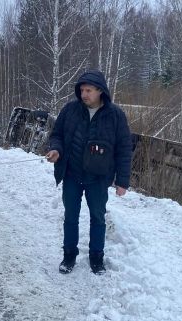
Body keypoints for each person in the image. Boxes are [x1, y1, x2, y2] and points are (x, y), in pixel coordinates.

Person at [46, 69, 133, 275]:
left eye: (89, 90)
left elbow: (124, 149)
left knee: (98, 218)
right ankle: (69, 256)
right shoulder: (70, 110)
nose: (84, 94)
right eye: (82, 90)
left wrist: (123, 181)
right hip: (72, 174)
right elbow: (56, 134)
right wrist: (56, 149)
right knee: (70, 216)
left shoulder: (115, 116)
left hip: (99, 178)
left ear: (100, 91)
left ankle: (96, 258)